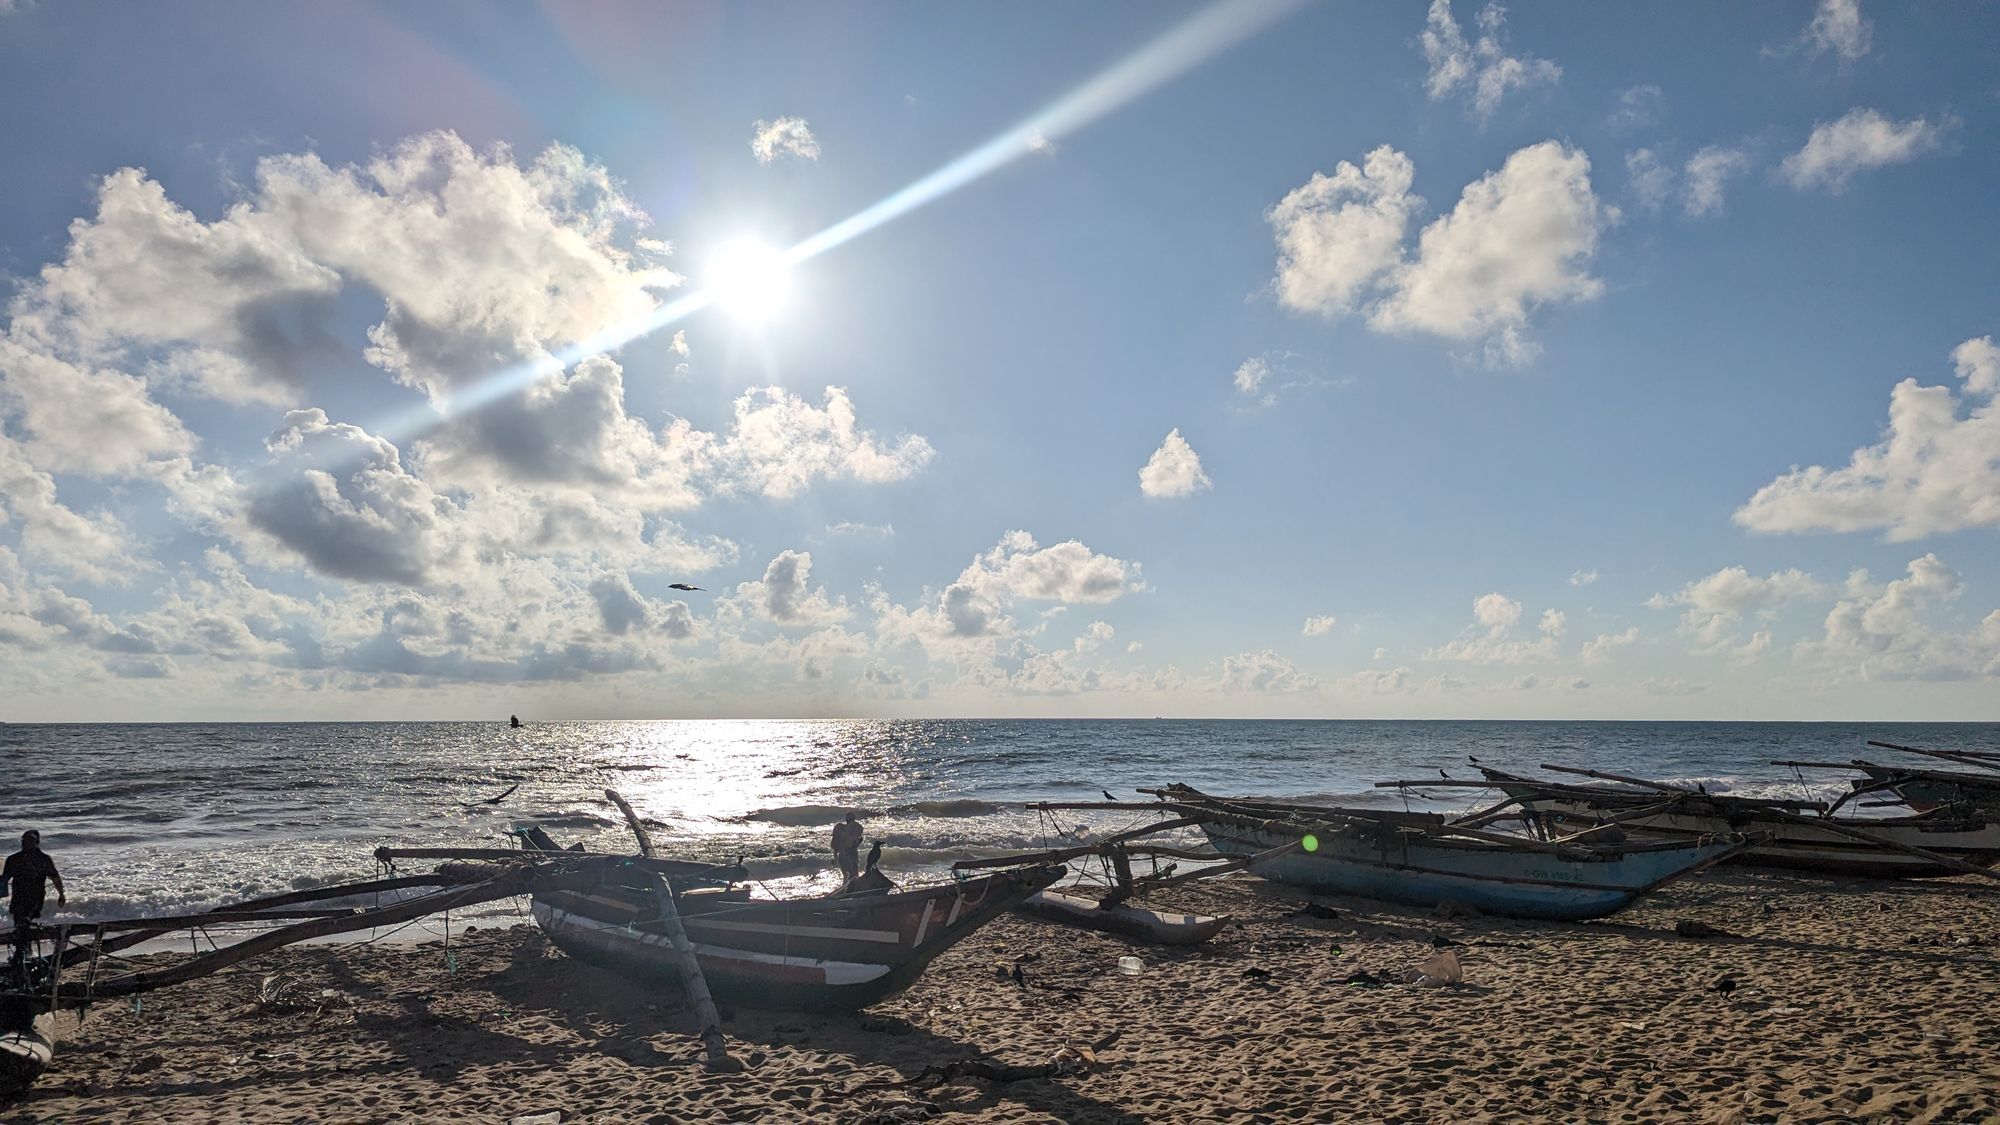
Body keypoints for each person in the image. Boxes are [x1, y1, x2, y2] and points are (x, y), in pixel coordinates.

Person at [3, 830, 64, 962]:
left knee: (26, 922)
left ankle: (24, 955)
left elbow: (55, 878)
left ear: (37, 842)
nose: (26, 843)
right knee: (20, 924)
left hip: (35, 898)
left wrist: (61, 894)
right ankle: (24, 954)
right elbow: (4, 880)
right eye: (24, 840)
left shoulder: (44, 860)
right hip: (18, 898)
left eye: (30, 840)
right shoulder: (13, 859)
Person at [831, 812, 863, 883]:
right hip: (851, 855)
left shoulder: (839, 829)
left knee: (846, 876)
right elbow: (852, 845)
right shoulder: (856, 828)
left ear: (846, 820)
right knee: (854, 876)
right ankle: (852, 891)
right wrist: (859, 840)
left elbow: (835, 845)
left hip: (842, 856)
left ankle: (846, 890)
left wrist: (835, 856)